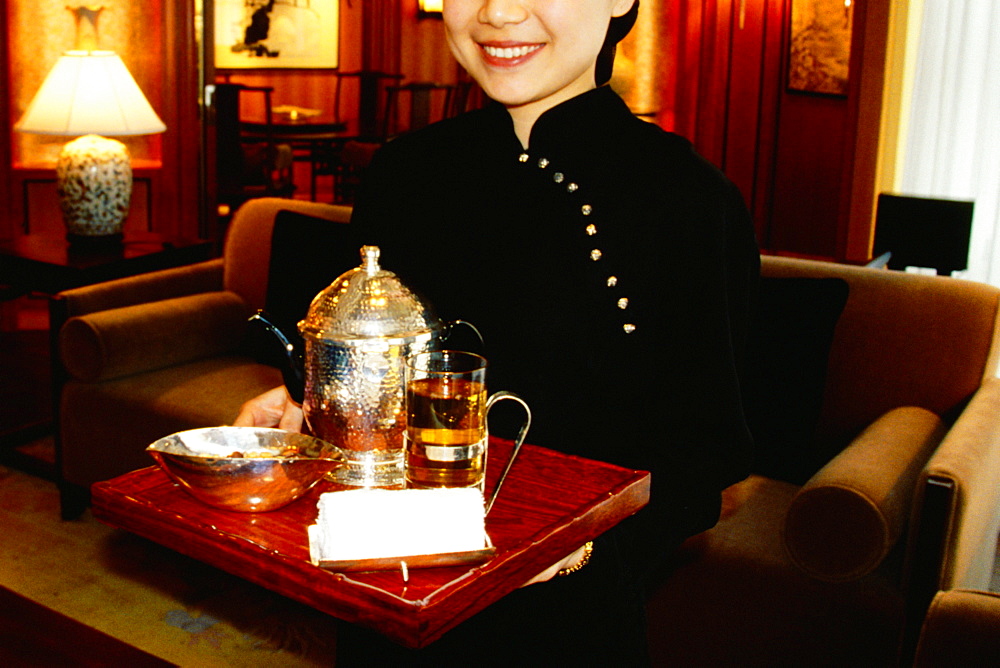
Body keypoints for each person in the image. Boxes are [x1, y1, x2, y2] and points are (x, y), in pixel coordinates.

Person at [235, 0, 759, 664]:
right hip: (388, 601)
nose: (499, 11)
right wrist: (311, 416)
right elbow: (381, 375)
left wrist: (585, 550)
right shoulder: (405, 172)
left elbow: (704, 456)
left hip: (565, 625)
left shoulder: (690, 201)